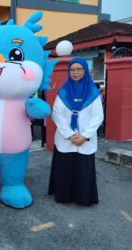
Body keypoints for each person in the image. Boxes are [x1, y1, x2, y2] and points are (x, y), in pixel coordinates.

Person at [48, 57, 104, 206]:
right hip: (66, 139)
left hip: (85, 140)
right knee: (65, 169)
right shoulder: (63, 92)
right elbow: (56, 114)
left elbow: (98, 116)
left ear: (85, 71)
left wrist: (85, 136)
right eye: (72, 69)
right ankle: (63, 196)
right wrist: (70, 134)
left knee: (83, 170)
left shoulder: (93, 93)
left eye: (79, 69)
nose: (75, 72)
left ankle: (83, 198)